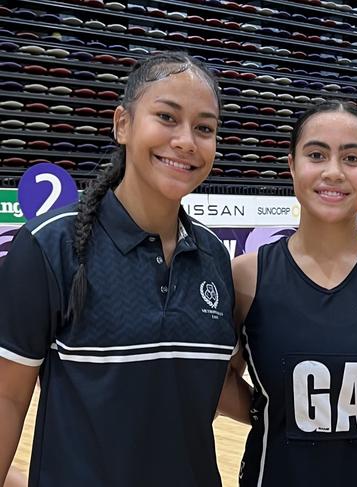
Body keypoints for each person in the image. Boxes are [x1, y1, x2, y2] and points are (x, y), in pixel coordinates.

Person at [0, 51, 245, 486]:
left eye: (204, 128)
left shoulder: (213, 258)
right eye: (167, 117)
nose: (187, 140)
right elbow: (7, 398)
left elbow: (211, 387)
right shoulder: (48, 247)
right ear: (123, 125)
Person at [230, 101, 357, 486]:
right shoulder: (245, 277)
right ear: (291, 164)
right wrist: (276, 410)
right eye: (316, 154)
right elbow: (216, 383)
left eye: (352, 158)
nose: (333, 172)